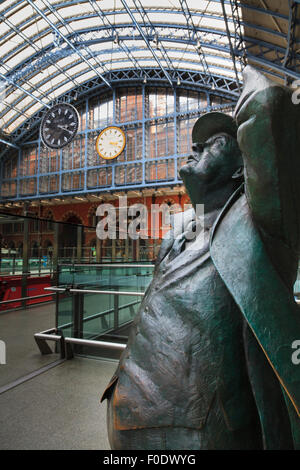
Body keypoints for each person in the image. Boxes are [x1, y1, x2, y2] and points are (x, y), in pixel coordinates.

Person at [101, 66, 300, 450]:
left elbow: (269, 111)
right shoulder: (178, 228)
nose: (197, 147)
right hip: (127, 408)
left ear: (244, 164)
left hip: (197, 428)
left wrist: (251, 73)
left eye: (215, 143)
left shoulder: (258, 223)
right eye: (197, 143)